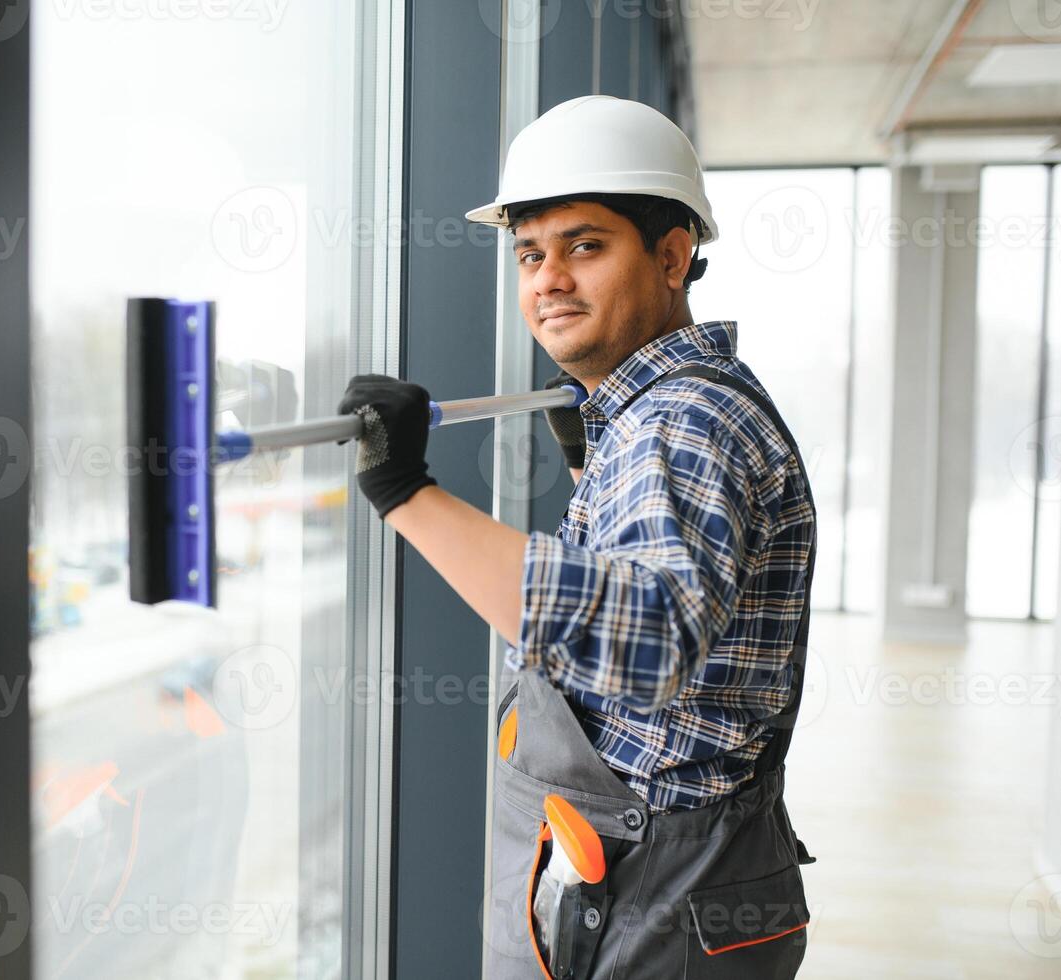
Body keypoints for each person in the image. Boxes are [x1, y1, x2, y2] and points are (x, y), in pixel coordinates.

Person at [337, 95, 817, 978]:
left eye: (584, 246)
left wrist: (403, 491)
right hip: (674, 881)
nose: (547, 279)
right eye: (529, 253)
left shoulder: (679, 423)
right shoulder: (677, 405)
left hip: (657, 900)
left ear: (671, 256)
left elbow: (650, 641)